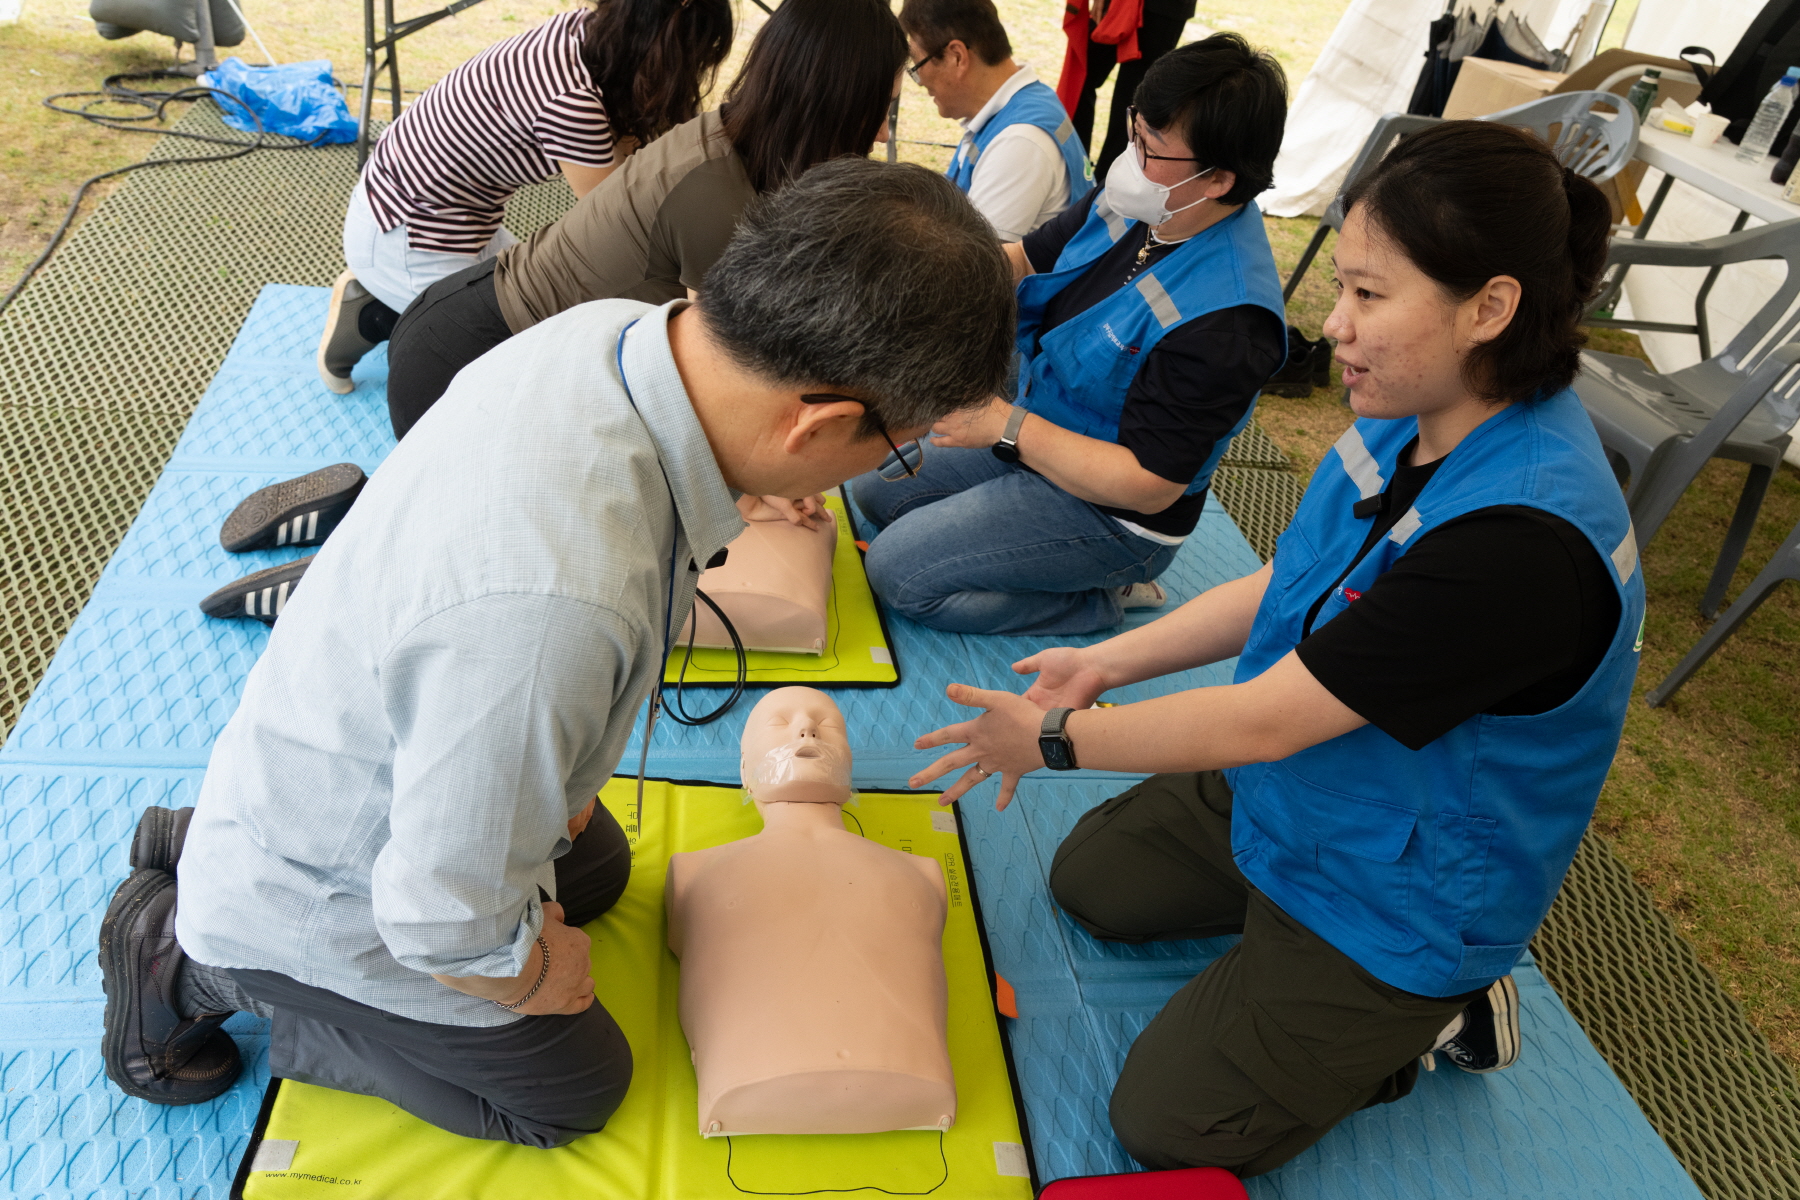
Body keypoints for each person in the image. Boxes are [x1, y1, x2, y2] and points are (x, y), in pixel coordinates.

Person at [97, 159, 1016, 1146]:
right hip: (349, 884)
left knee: (598, 867)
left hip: (352, 747)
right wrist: (530, 973)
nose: (886, 466)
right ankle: (190, 961)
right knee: (571, 1092)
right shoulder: (557, 601)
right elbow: (438, 916)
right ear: (819, 423)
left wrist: (747, 488)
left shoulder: (621, 332)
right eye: (899, 447)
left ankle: (208, 847)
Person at [907, 121, 1645, 1176]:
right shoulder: (1417, 405)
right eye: (1339, 287)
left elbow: (1266, 717)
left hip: (1405, 885)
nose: (1334, 329)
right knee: (1093, 884)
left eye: (1369, 297)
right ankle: (1294, 958)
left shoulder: (1522, 547)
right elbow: (1297, 577)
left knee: (1166, 1126)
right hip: (1309, 784)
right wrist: (1114, 662)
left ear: (1490, 307)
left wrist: (1056, 738)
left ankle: (1434, 1014)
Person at [197, 0, 909, 616]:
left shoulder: (733, 143)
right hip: (465, 354)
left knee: (452, 501)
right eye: (881, 105)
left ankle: (354, 501)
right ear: (834, 101)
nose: (882, 131)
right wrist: (759, 491)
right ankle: (330, 587)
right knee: (483, 559)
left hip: (472, 317)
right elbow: (715, 392)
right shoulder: (715, 197)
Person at [850, 35, 1287, 636]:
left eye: (1151, 148)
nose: (1129, 160)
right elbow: (1024, 259)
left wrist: (1006, 426)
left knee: (899, 574)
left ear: (1217, 180)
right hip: (1039, 433)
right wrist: (912, 272)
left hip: (1114, 513)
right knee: (874, 488)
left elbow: (1150, 486)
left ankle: (1103, 596)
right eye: (1133, 133)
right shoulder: (1143, 201)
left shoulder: (1229, 322)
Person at [315, 0, 734, 395]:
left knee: (524, 304)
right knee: (505, 354)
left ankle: (382, 296)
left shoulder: (586, 36)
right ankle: (373, 312)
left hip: (443, 213)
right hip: (411, 232)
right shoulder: (572, 103)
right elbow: (618, 214)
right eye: (698, 60)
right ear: (667, 51)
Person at [900, 0, 1090, 241]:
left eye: (916, 65)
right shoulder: (1020, 103)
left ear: (956, 57)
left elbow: (973, 267)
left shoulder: (1019, 143)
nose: (919, 82)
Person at [1058, 0, 1198, 177]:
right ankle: (1074, 165)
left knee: (1132, 103)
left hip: (1164, 9)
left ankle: (1104, 184)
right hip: (1118, 4)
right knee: (1082, 75)